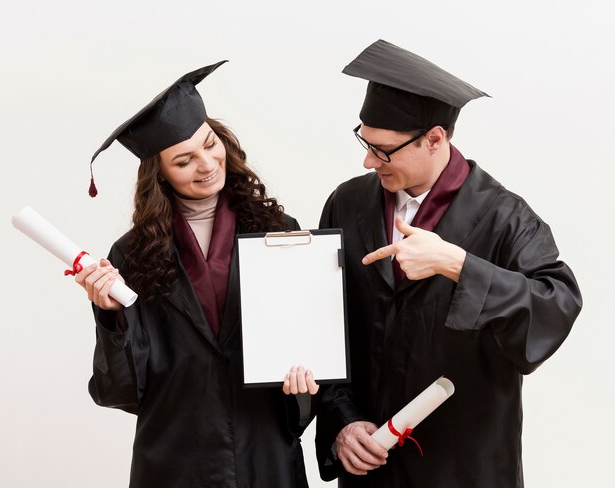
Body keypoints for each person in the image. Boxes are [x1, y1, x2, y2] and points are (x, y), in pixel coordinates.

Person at [315, 40, 582, 488]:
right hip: (371, 463)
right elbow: (320, 328)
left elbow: (556, 304)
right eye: (365, 141)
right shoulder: (348, 204)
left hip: (464, 468)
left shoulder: (504, 216)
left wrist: (458, 264)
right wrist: (343, 423)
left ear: (435, 138)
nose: (367, 160)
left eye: (383, 150)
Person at [75, 60, 318, 488]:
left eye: (210, 144)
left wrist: (302, 384)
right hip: (174, 461)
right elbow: (122, 392)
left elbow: (306, 345)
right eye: (184, 160)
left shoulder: (277, 233)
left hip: (264, 450)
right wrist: (111, 316)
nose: (207, 164)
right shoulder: (132, 255)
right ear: (160, 174)